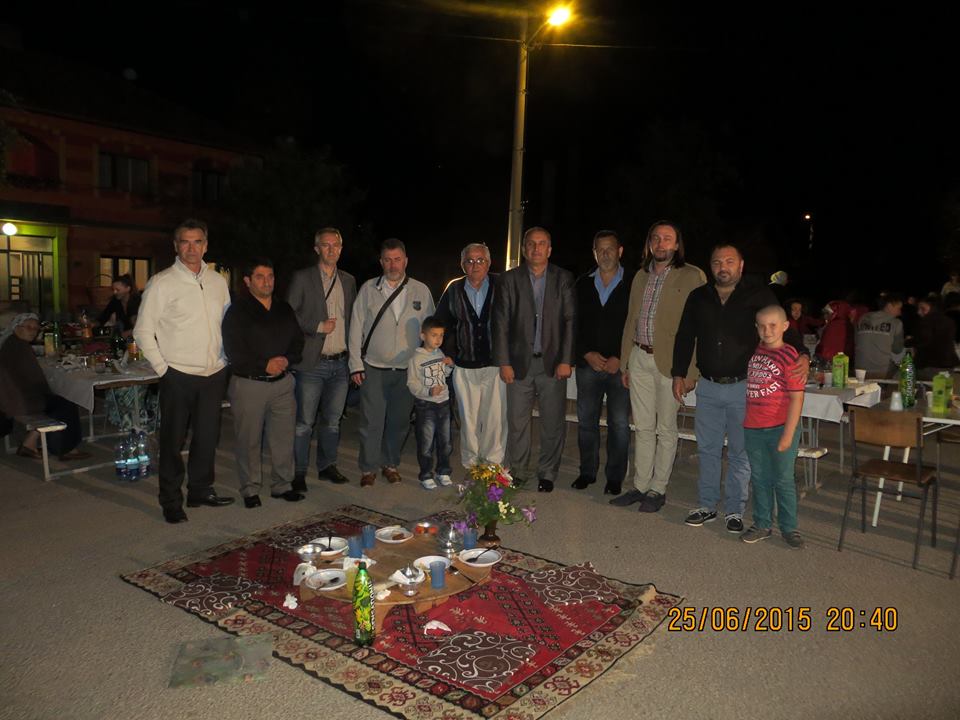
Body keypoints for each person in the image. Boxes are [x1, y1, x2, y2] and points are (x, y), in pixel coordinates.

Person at [672, 244, 808, 533]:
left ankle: (734, 509)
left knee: (739, 453)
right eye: (717, 262)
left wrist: (804, 354)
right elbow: (685, 335)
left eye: (729, 261)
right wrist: (678, 373)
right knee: (707, 449)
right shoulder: (698, 296)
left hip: (744, 388)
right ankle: (707, 505)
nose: (723, 267)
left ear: (741, 265)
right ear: (710, 266)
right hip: (708, 386)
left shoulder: (757, 294)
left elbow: (782, 324)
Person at [134, 219, 233, 524]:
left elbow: (227, 323)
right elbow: (142, 330)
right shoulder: (162, 282)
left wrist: (226, 359)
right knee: (173, 441)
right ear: (176, 246)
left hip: (214, 373)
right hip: (177, 374)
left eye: (197, 241)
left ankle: (200, 490)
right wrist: (164, 369)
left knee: (207, 438)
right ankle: (171, 499)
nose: (192, 248)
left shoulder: (218, 281)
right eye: (185, 242)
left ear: (206, 245)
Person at [613, 221, 705, 510]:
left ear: (676, 245)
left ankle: (658, 489)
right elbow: (631, 319)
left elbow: (699, 327)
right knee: (642, 426)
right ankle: (640, 485)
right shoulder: (640, 276)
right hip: (639, 358)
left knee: (665, 428)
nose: (660, 243)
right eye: (655, 238)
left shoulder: (692, 275)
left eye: (667, 238)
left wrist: (691, 372)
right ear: (649, 243)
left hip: (672, 363)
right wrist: (625, 363)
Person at [492, 226, 575, 493]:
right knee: (517, 422)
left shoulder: (563, 278)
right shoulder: (508, 279)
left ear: (549, 249)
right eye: (531, 243)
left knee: (552, 422)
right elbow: (501, 322)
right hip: (518, 364)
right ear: (524, 248)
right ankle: (518, 471)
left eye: (541, 244)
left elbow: (570, 321)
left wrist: (566, 360)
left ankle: (547, 473)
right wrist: (504, 362)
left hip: (553, 363)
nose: (536, 248)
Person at [348, 238, 435, 486]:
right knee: (371, 422)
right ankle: (368, 468)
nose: (393, 265)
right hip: (373, 367)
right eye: (388, 260)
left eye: (397, 259)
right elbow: (355, 328)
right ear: (381, 262)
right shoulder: (368, 289)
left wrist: (427, 365)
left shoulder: (421, 291)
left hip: (407, 369)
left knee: (399, 421)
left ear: (405, 261)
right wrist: (355, 364)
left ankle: (390, 463)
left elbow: (431, 331)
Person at [222, 258, 305, 508]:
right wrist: (264, 364)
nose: (266, 282)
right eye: (260, 277)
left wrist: (287, 359)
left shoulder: (283, 308)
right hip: (250, 384)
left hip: (282, 384)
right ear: (248, 281)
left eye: (270, 276)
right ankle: (250, 488)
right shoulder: (237, 312)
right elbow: (234, 351)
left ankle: (282, 484)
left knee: (283, 438)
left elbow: (298, 341)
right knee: (249, 440)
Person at [286, 228, 357, 491]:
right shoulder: (303, 278)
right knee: (304, 423)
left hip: (340, 363)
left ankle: (327, 466)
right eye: (325, 245)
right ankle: (299, 472)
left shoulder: (348, 280)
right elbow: (289, 314)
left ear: (341, 248)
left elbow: (353, 319)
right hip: (312, 363)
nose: (331, 249)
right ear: (317, 248)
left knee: (332, 421)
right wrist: (317, 326)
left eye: (335, 245)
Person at [434, 242, 506, 469]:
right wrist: (448, 354)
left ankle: (492, 466)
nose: (475, 265)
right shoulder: (454, 289)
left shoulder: (502, 285)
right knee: (468, 419)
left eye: (480, 260)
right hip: (464, 366)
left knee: (495, 419)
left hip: (496, 365)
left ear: (489, 263)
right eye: (470, 261)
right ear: (462, 264)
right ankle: (472, 466)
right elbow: (440, 324)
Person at [740, 305, 806, 549]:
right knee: (759, 478)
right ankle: (762, 524)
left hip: (780, 428)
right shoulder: (755, 351)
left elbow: (797, 399)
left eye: (773, 325)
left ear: (785, 326)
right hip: (753, 428)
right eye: (762, 326)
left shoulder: (790, 356)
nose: (767, 331)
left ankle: (789, 528)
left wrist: (788, 434)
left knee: (783, 480)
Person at [572, 230, 632, 495]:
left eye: (610, 249)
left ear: (620, 251)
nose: (605, 254)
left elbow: (637, 324)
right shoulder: (582, 284)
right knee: (586, 422)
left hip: (619, 367)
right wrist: (586, 353)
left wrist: (621, 356)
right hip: (589, 366)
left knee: (619, 424)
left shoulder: (633, 282)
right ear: (594, 253)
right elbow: (572, 324)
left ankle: (615, 477)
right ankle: (587, 472)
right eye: (600, 249)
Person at [0, 313, 90, 461]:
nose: (33, 331)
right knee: (66, 404)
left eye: (35, 328)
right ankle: (65, 449)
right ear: (16, 328)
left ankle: (29, 443)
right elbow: (36, 380)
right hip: (19, 400)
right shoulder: (19, 347)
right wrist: (52, 392)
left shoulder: (11, 343)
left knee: (57, 401)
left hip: (13, 397)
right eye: (28, 327)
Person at [406, 315, 453, 489]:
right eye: (434, 335)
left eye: (441, 335)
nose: (438, 339)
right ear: (423, 336)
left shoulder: (439, 353)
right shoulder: (416, 358)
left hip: (444, 403)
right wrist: (428, 391)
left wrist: (449, 366)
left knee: (445, 441)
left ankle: (443, 471)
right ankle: (426, 474)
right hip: (426, 406)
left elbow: (444, 374)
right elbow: (412, 383)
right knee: (426, 442)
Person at [854, 294, 904, 378]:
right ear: (889, 306)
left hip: (859, 370)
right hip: (880, 372)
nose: (900, 313)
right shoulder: (896, 323)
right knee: (904, 365)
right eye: (899, 308)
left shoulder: (862, 319)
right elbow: (897, 349)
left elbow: (856, 341)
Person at [914, 295, 959, 379]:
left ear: (932, 308)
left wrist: (909, 342)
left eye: (922, 309)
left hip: (929, 366)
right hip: (948, 366)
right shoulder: (949, 321)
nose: (919, 312)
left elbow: (924, 340)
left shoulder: (926, 321)